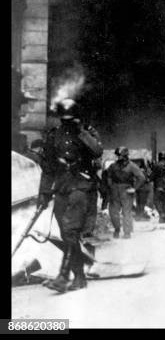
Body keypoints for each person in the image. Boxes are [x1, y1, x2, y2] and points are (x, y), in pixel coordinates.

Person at [37, 99, 103, 292]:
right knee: (66, 234)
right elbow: (48, 168)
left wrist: (81, 131)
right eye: (64, 119)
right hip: (62, 188)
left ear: (77, 117)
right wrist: (44, 193)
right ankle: (79, 277)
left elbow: (97, 151)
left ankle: (64, 276)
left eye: (71, 119)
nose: (67, 122)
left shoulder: (87, 133)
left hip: (81, 186)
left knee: (70, 230)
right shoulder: (53, 136)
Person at [107, 147, 146, 239]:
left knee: (126, 212)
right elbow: (109, 177)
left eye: (119, 155)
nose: (117, 157)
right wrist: (111, 187)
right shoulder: (113, 166)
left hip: (126, 190)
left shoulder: (132, 166)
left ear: (125, 156)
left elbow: (141, 178)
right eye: (117, 156)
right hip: (115, 191)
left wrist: (135, 188)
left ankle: (127, 232)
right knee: (113, 212)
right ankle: (117, 229)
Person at [151, 151, 165, 223]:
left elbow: (152, 176)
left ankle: (161, 213)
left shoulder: (156, 165)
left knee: (156, 201)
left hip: (158, 185)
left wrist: (149, 179)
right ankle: (163, 218)